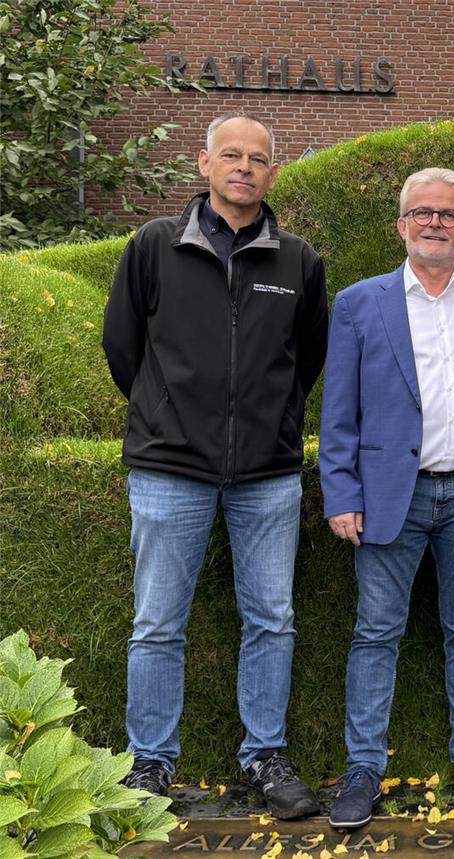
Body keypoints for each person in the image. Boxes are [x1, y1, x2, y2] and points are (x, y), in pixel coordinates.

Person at [103, 112, 327, 818]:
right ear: (203, 163)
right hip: (170, 471)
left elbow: (306, 361)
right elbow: (123, 348)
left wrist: (272, 427)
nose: (243, 167)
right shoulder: (153, 247)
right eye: (230, 154)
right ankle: (150, 764)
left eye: (257, 158)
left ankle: (264, 754)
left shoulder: (298, 261)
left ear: (273, 172)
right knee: (157, 623)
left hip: (267, 475)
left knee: (272, 619)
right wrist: (168, 418)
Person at [319, 168, 454, 829]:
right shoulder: (357, 303)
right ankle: (362, 769)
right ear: (400, 224)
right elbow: (339, 411)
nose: (435, 222)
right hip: (385, 499)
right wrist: (341, 491)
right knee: (376, 633)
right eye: (422, 212)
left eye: (449, 214)